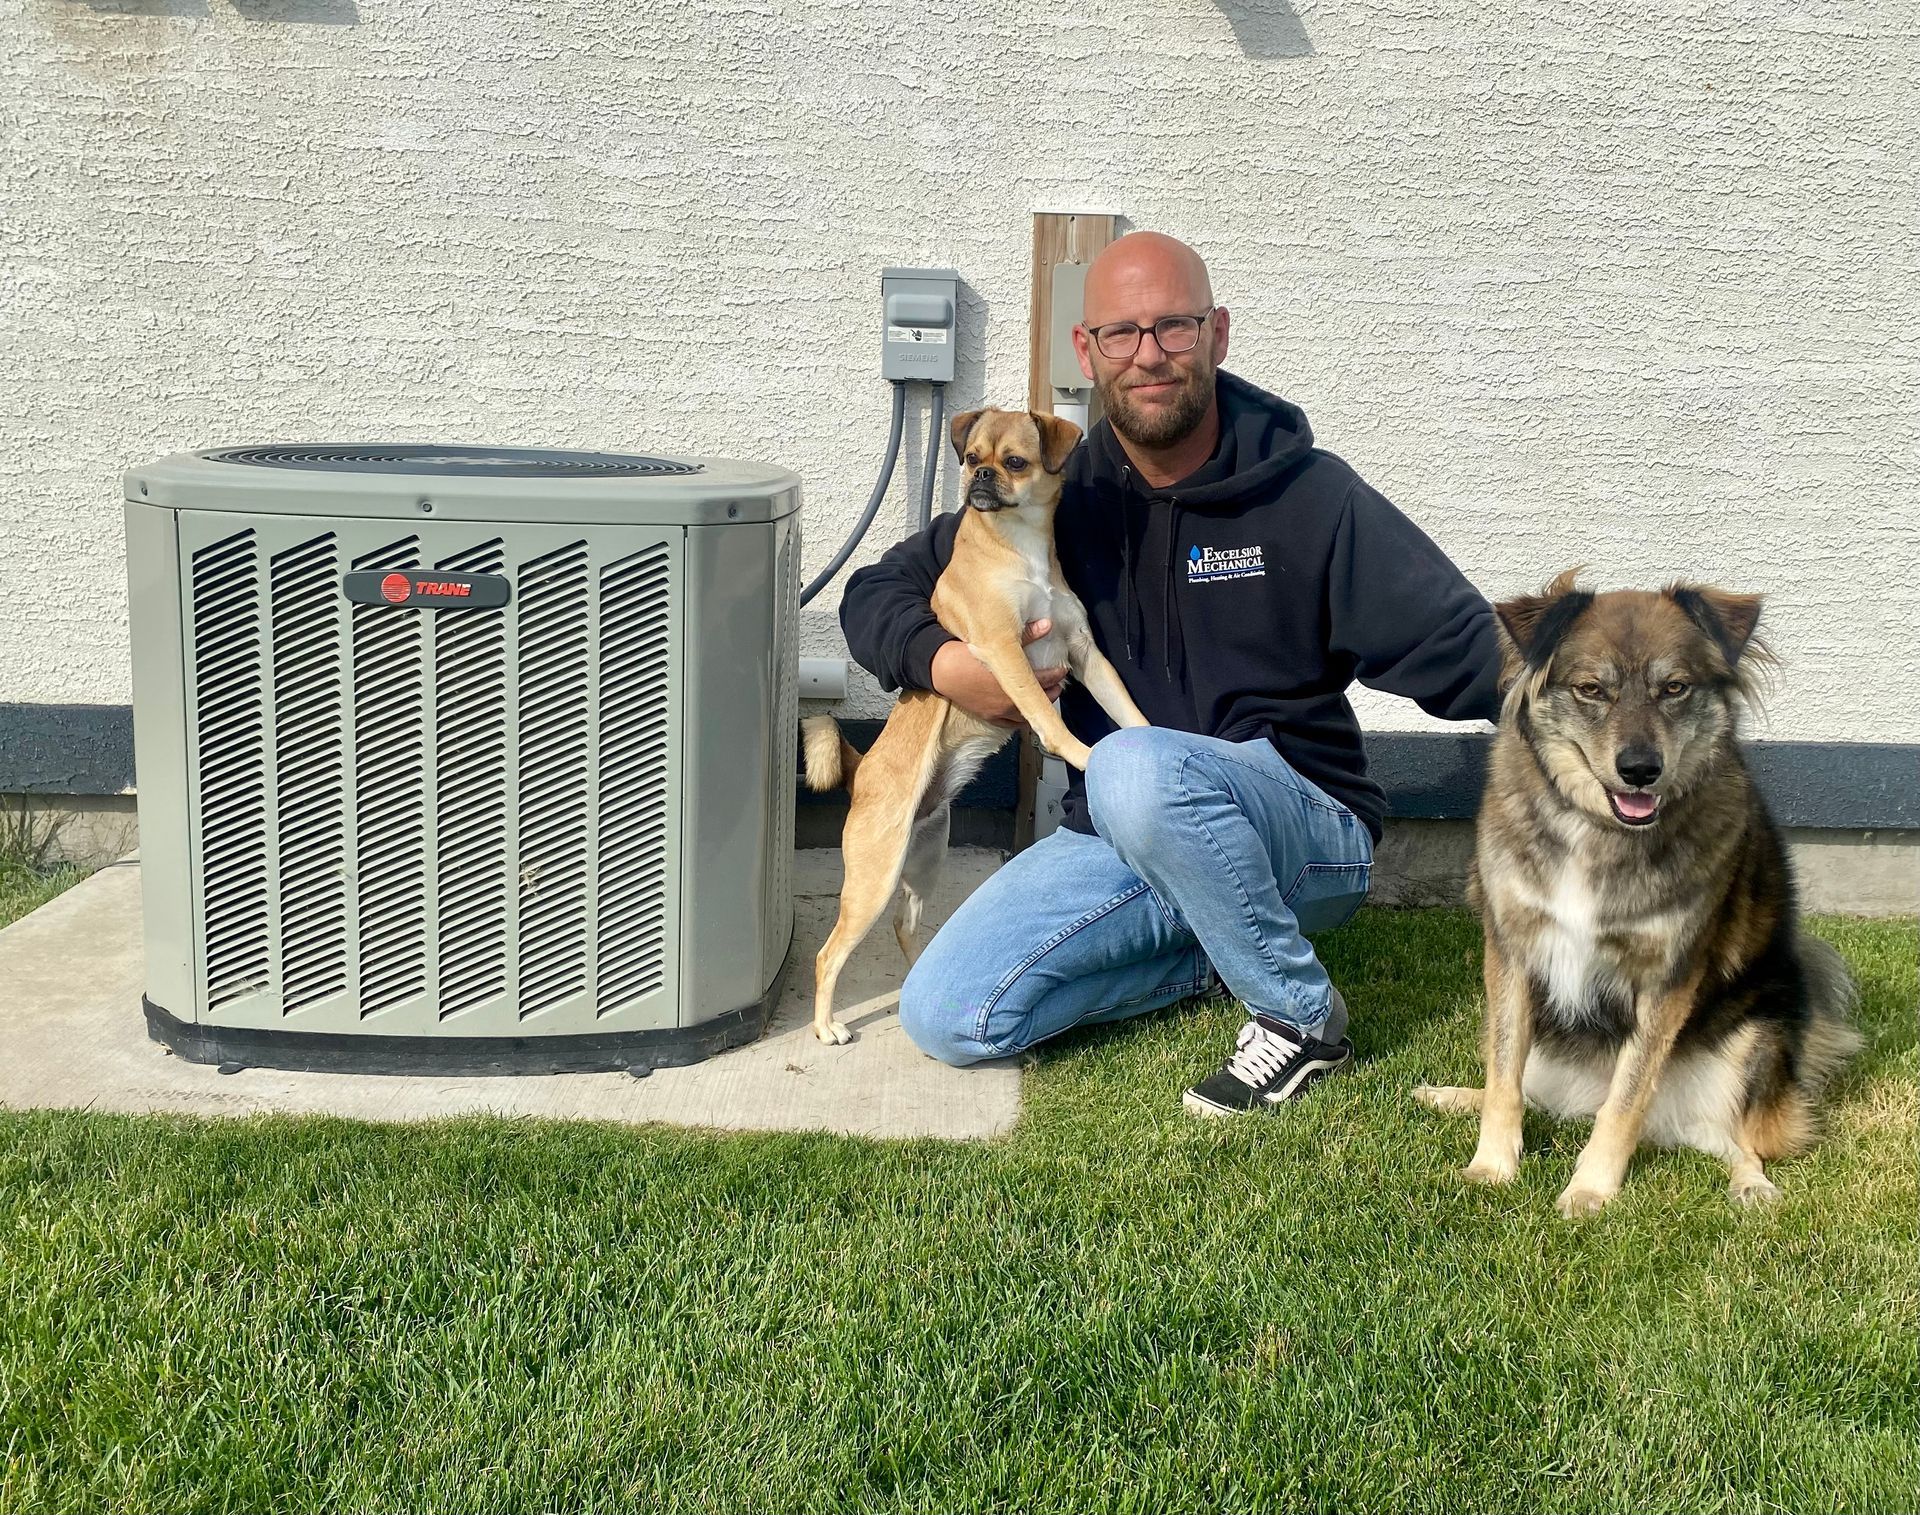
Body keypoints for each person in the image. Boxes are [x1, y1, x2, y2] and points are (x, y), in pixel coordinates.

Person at [838, 231, 1503, 1115]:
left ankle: (1303, 1021)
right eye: (1121, 333)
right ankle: (1224, 950)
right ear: (1088, 351)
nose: (1148, 355)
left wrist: (1606, 704)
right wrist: (947, 663)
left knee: (1131, 759)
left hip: (1300, 821)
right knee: (948, 1014)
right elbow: (874, 593)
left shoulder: (1310, 496)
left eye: (1174, 328)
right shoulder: (1050, 491)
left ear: (1217, 334)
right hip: (1123, 827)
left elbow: (1464, 646)